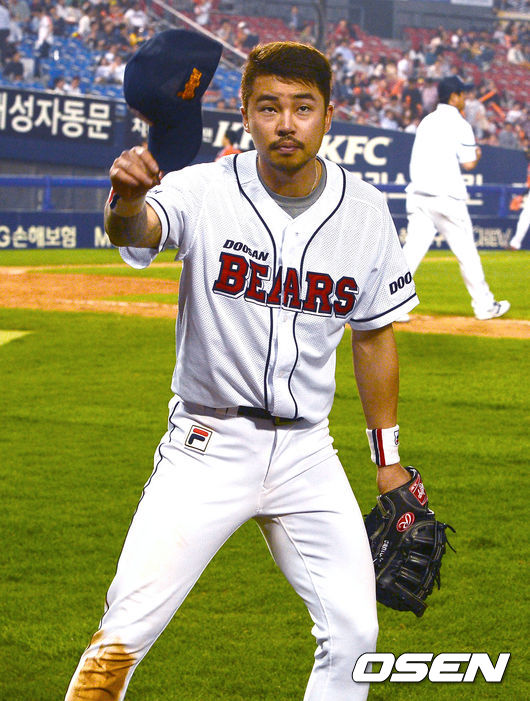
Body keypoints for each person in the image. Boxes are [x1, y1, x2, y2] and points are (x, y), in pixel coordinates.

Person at [65, 40, 419, 700]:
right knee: (123, 633)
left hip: (308, 453)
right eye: (269, 107)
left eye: (303, 108)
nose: (286, 123)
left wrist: (388, 459)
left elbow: (373, 336)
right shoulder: (202, 188)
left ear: (329, 115)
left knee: (355, 634)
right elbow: (137, 230)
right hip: (207, 446)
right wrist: (125, 202)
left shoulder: (366, 211)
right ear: (246, 114)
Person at [397, 75, 510, 322]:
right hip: (447, 198)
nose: (465, 98)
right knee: (467, 253)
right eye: (462, 94)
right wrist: (477, 154)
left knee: (411, 252)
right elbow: (468, 163)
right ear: (454, 96)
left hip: (419, 196)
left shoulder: (426, 121)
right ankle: (484, 306)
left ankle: (393, 305)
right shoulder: (460, 124)